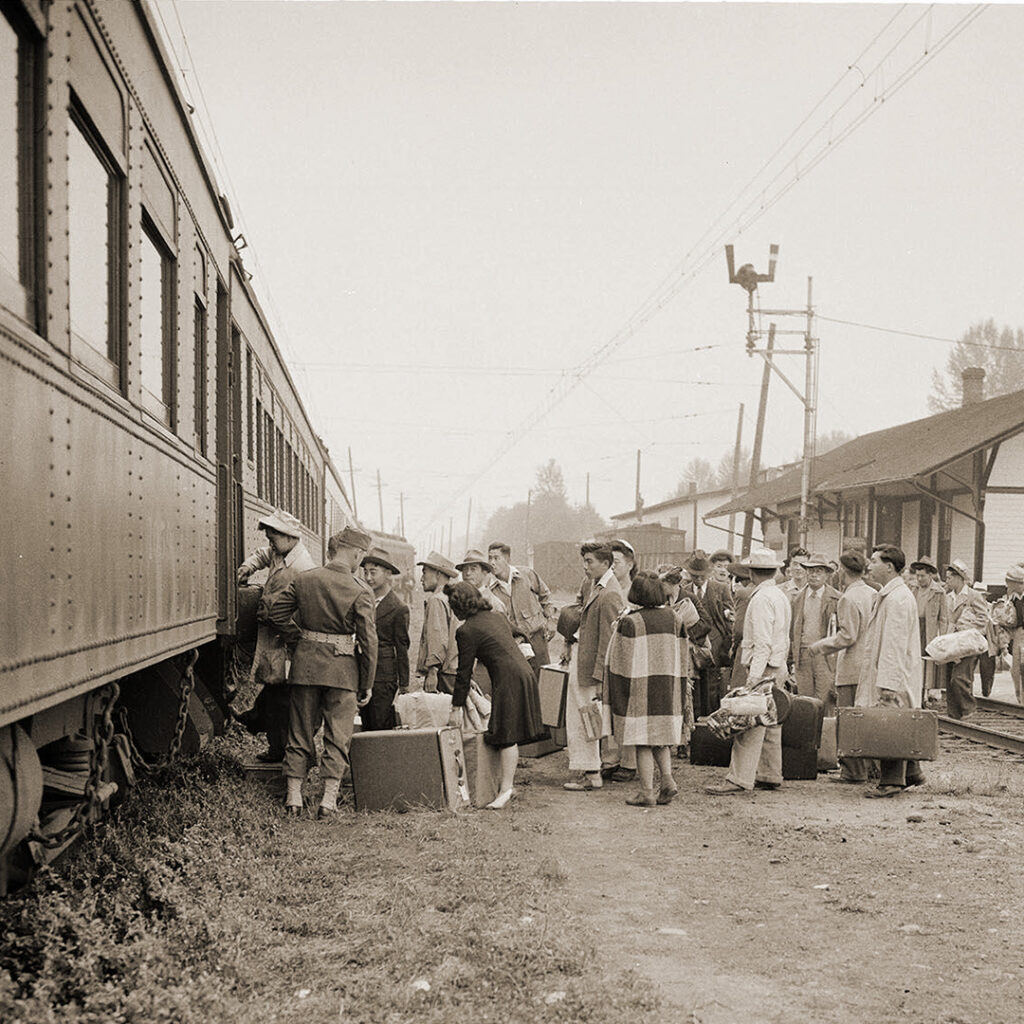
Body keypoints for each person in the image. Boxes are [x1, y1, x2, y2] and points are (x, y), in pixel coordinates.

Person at [267, 526, 377, 818]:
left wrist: (298, 639)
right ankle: (327, 801)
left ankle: (293, 798)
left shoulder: (305, 579)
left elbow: (276, 613)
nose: (361, 562)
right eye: (362, 556)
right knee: (338, 735)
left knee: (300, 730)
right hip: (343, 673)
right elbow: (368, 641)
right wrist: (366, 682)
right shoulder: (360, 589)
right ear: (355, 552)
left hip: (306, 668)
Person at [445, 582, 543, 810]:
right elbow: (521, 634)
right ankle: (505, 786)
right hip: (523, 673)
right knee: (507, 731)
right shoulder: (496, 616)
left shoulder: (466, 630)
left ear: (459, 606)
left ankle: (505, 790)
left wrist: (456, 707)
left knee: (507, 734)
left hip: (508, 678)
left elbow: (463, 672)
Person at [705, 548, 790, 796]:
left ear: (752, 572)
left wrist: (752, 679)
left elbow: (762, 642)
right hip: (777, 664)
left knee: (747, 721)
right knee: (772, 720)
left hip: (762, 666)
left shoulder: (761, 599)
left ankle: (739, 778)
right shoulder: (780, 595)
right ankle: (770, 773)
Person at [234, 509, 317, 763]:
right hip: (276, 638)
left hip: (288, 643)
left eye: (273, 537)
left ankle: (277, 746)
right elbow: (263, 554)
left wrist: (293, 637)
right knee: (275, 690)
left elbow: (301, 611)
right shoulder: (281, 552)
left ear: (290, 537)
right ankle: (271, 740)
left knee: (281, 698)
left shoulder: (301, 568)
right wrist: (248, 566)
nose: (269, 542)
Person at [605, 572, 687, 807]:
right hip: (668, 686)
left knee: (642, 741)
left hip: (640, 688)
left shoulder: (631, 622)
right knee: (660, 739)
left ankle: (647, 792)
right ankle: (668, 782)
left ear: (636, 594)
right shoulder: (675, 618)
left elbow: (620, 663)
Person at [855, 545, 925, 798]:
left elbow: (894, 645)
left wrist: (888, 683)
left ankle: (892, 782)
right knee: (899, 720)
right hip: (890, 671)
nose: (869, 565)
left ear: (889, 566)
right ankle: (912, 773)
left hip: (893, 673)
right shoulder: (891, 595)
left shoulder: (897, 599)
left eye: (874, 561)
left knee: (890, 722)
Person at [807, 551, 874, 783]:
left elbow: (847, 636)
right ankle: (869, 767)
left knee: (847, 720)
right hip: (869, 667)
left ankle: (852, 771)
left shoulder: (848, 598)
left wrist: (820, 646)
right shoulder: (873, 594)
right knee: (866, 718)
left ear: (843, 572)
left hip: (851, 667)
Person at [563, 542, 624, 792]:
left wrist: (600, 676)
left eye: (589, 562)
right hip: (582, 659)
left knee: (587, 719)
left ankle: (592, 774)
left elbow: (609, 641)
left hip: (592, 668)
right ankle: (588, 770)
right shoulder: (592, 584)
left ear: (606, 564)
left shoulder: (610, 593)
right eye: (584, 561)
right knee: (579, 718)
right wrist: (569, 642)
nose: (585, 566)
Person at [485, 542, 557, 676]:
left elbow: (546, 597)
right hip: (512, 645)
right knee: (518, 682)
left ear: (507, 559)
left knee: (543, 679)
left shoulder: (526, 574)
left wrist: (551, 620)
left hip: (537, 639)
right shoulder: (489, 589)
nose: (492, 562)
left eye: (496, 558)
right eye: (489, 558)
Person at [359, 546, 410, 730]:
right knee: (366, 723)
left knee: (380, 724)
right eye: (365, 572)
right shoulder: (364, 601)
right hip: (363, 674)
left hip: (383, 677)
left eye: (373, 572)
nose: (368, 577)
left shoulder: (398, 607)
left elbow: (402, 647)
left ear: (388, 574)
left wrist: (403, 684)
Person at [601, 539, 640, 780]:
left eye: (616, 562)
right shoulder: (604, 589)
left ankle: (630, 762)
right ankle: (610, 758)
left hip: (631, 655)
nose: (612, 567)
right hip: (608, 654)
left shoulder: (636, 591)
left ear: (630, 563)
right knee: (609, 707)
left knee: (630, 707)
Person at [789, 553, 841, 714]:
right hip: (803, 654)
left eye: (819, 571)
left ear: (827, 575)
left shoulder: (836, 598)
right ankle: (808, 738)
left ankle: (824, 737)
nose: (814, 575)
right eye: (811, 571)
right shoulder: (797, 598)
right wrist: (791, 659)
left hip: (825, 656)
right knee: (805, 701)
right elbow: (792, 631)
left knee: (825, 700)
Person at [943, 558, 988, 719]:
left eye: (949, 577)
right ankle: (954, 715)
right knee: (949, 680)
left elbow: (983, 618)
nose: (947, 580)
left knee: (960, 678)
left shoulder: (973, 595)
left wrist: (966, 627)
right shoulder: (948, 597)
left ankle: (968, 709)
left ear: (959, 578)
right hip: (951, 643)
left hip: (968, 643)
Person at [679, 551, 723, 718]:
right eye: (694, 576)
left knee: (712, 690)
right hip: (693, 648)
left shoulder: (721, 589)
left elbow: (725, 623)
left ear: (708, 574)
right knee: (696, 690)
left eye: (701, 576)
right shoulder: (685, 591)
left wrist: (724, 648)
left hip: (714, 648)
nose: (698, 579)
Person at [415, 551, 460, 694]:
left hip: (443, 673)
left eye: (425, 573)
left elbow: (438, 639)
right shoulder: (453, 598)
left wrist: (432, 672)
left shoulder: (437, 600)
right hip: (455, 671)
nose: (422, 578)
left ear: (438, 574)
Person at [909, 556, 949, 701]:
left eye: (922, 576)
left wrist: (942, 637)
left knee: (927, 661)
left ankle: (926, 693)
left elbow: (943, 618)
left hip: (929, 629)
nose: (919, 579)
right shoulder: (912, 588)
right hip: (914, 627)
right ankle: (915, 693)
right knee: (913, 659)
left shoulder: (938, 591)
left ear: (930, 575)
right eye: (917, 575)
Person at [1002, 564, 1024, 704]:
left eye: (1009, 581)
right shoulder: (1013, 599)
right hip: (1018, 633)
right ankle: (1020, 698)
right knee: (1016, 668)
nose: (1007, 584)